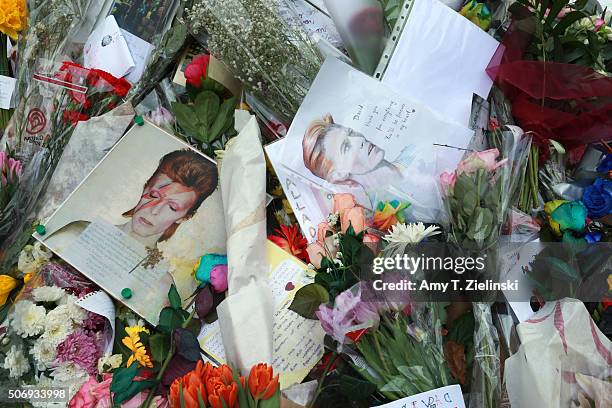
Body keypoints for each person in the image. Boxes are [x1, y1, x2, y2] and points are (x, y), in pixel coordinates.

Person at [302, 113, 440, 221]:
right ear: (337, 175)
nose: (360, 140)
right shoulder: (381, 219)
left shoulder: (420, 153)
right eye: (346, 147)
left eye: (351, 132)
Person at [120, 149, 217, 247]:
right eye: (154, 195)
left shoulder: (163, 262)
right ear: (145, 188)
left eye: (172, 207)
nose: (154, 210)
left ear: (183, 218)